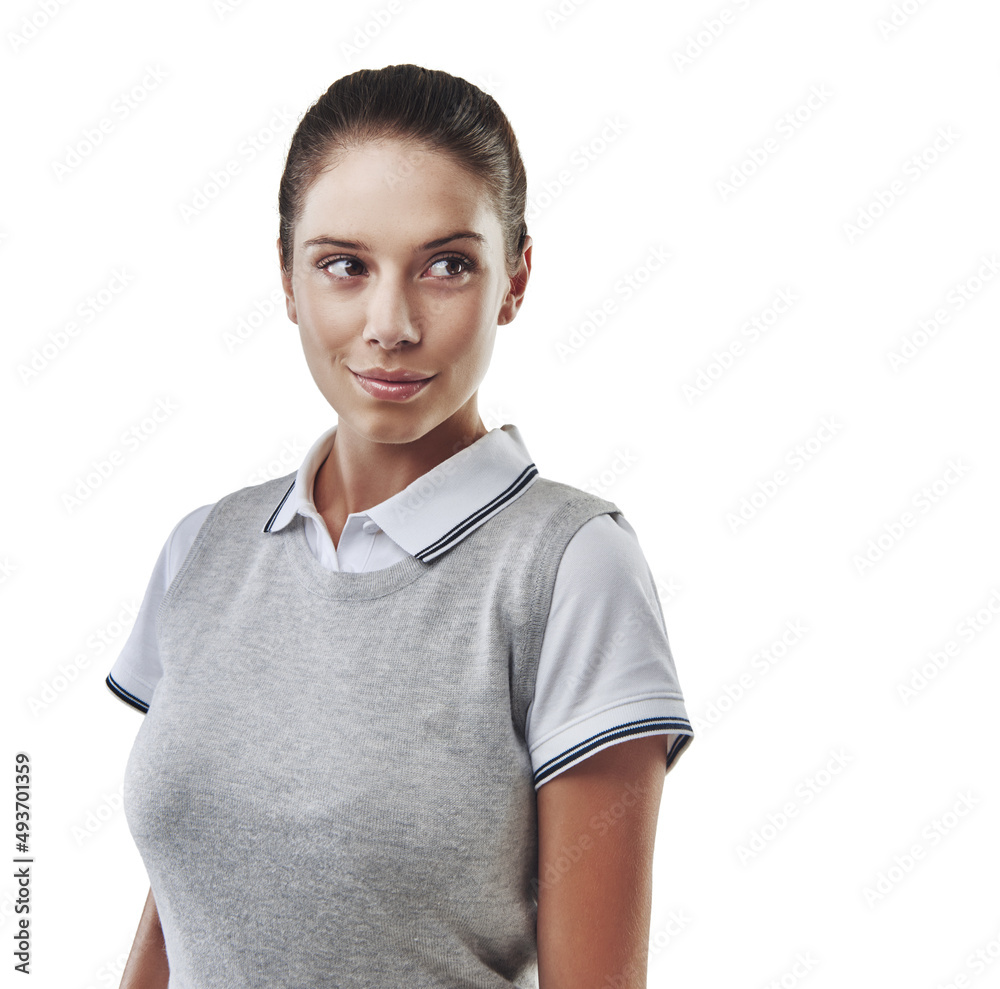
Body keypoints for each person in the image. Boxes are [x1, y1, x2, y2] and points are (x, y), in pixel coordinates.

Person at [107, 64, 694, 989]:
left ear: (516, 278)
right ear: (288, 277)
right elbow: (183, 904)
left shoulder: (572, 567)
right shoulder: (204, 547)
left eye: (447, 265)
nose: (391, 324)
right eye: (345, 265)